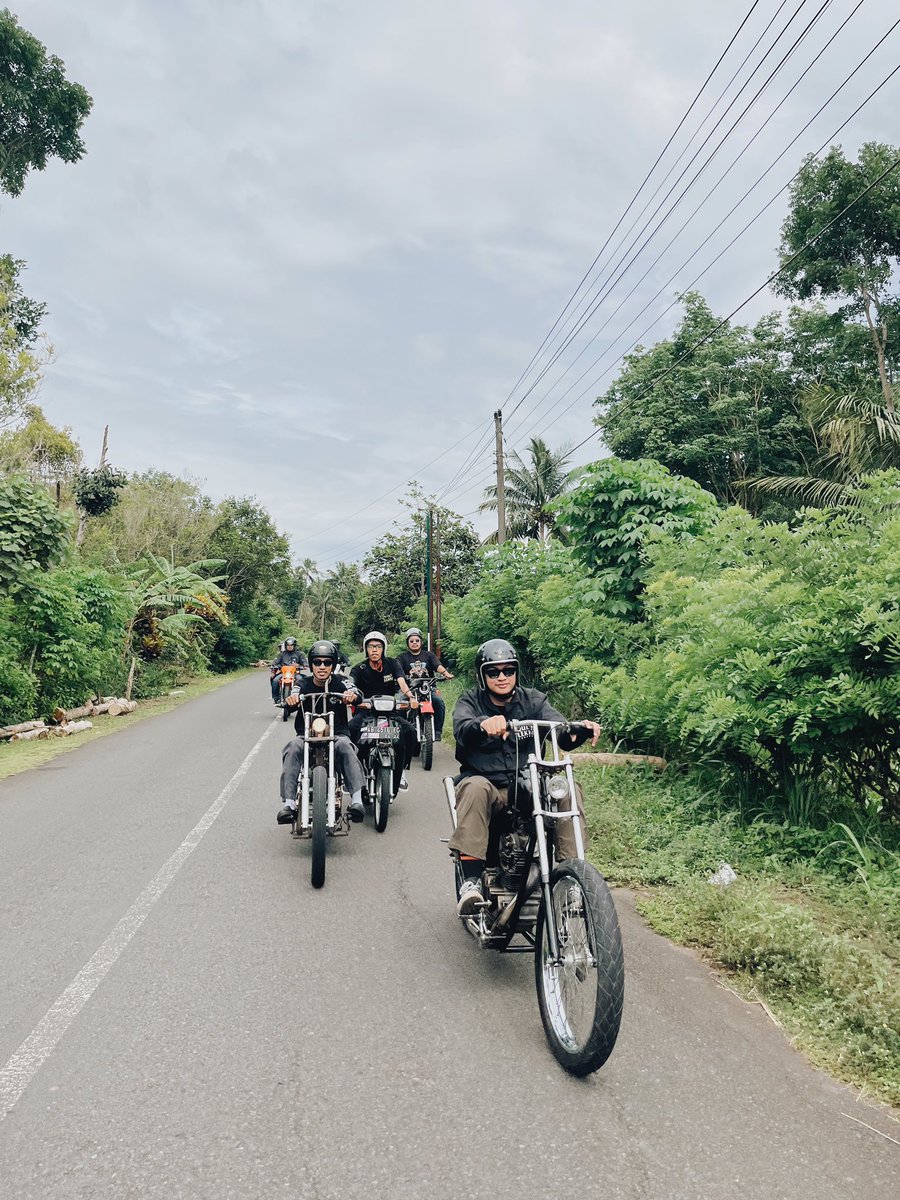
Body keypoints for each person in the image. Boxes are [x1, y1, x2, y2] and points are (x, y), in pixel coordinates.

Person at [448, 638, 602, 916]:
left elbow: (559, 731)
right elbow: (462, 728)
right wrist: (483, 724)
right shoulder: (470, 700)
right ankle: (470, 881)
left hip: (529, 785)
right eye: (494, 672)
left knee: (566, 788)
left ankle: (573, 877)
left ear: (516, 672)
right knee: (474, 787)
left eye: (508, 670)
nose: (502, 677)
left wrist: (580, 729)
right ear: (483, 675)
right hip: (491, 786)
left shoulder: (534, 700)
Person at [277, 640, 366, 825]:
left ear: (333, 665)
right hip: (306, 736)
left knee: (347, 748)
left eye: (327, 662)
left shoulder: (342, 682)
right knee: (292, 748)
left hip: (338, 735)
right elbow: (292, 695)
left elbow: (356, 692)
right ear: (311, 664)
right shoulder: (302, 683)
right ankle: (290, 804)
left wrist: (353, 696)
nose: (322, 666)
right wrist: (292, 699)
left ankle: (357, 801)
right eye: (317, 662)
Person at [348, 631, 419, 794]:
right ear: (366, 649)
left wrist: (410, 697)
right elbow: (350, 683)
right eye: (371, 646)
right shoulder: (359, 668)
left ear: (383, 648)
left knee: (409, 732)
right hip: (365, 713)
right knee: (349, 731)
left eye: (378, 646)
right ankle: (352, 773)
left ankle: (402, 773)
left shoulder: (392, 664)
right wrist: (349, 695)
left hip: (390, 712)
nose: (374, 650)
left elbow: (401, 680)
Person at [396, 627, 453, 740]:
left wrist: (446, 673)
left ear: (421, 642)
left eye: (417, 641)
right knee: (400, 705)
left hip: (428, 688)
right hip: (410, 690)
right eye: (411, 641)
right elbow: (397, 669)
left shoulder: (429, 655)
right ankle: (401, 732)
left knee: (438, 701)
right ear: (407, 643)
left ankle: (437, 731)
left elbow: (437, 666)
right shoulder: (402, 657)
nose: (414, 643)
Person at [270, 637, 307, 704]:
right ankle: (276, 698)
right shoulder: (281, 654)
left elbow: (304, 662)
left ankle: (301, 698)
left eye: (291, 645)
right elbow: (275, 662)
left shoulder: (299, 654)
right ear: (286, 646)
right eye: (288, 645)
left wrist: (302, 665)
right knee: (275, 680)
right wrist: (273, 669)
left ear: (294, 646)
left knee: (301, 680)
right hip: (283, 674)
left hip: (295, 673)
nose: (290, 647)